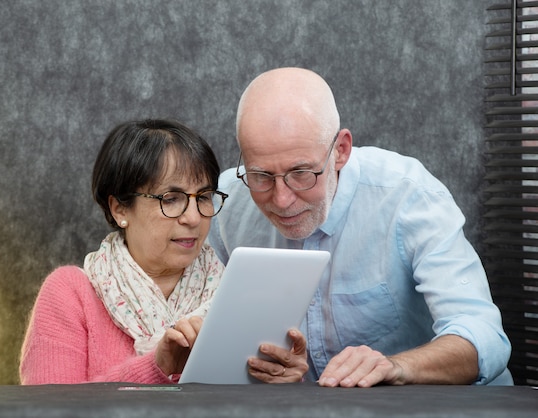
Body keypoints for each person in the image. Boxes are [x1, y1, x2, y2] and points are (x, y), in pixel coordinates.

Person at [208, 67, 514, 387]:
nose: (282, 200)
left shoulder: (409, 196)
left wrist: (395, 367)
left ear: (341, 150)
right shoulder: (225, 202)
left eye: (302, 173)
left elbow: (484, 337)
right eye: (262, 176)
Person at [20, 119, 229, 384]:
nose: (193, 218)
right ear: (120, 208)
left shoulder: (234, 295)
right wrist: (157, 366)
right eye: (171, 199)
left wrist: (281, 382)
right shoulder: (70, 294)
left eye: (203, 197)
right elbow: (47, 410)